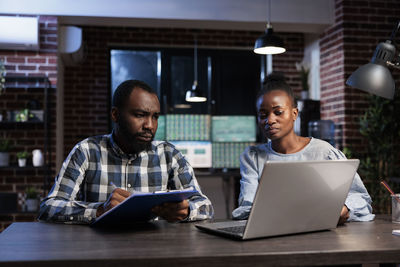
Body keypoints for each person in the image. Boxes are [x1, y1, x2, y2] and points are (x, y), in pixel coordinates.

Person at [39, 79, 214, 224]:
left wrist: (185, 210)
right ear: (115, 115)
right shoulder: (86, 151)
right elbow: (49, 208)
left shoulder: (169, 154)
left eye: (155, 117)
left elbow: (205, 206)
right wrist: (100, 210)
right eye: (140, 115)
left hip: (156, 251)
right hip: (98, 253)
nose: (150, 126)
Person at [232, 73, 374, 224]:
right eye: (263, 114)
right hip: (270, 237)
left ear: (294, 114)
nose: (270, 120)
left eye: (278, 112)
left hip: (322, 235)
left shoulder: (324, 152)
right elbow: (247, 208)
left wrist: (343, 210)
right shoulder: (253, 157)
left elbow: (360, 198)